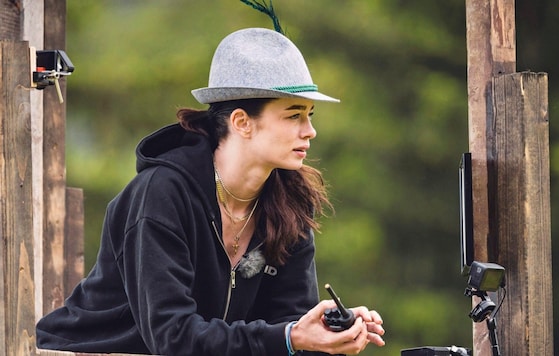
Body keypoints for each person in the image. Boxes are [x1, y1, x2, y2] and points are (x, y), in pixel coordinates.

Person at [36, 27, 385, 356]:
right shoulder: (162, 194)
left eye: (310, 115)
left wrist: (327, 336)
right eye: (294, 115)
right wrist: (291, 336)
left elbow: (284, 331)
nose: (310, 131)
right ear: (241, 122)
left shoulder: (289, 203)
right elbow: (173, 337)